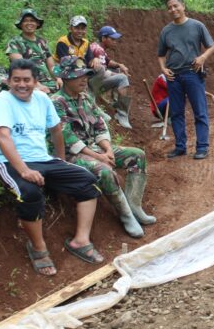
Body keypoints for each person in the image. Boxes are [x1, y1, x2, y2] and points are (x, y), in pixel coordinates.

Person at [0, 59, 103, 276]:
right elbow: (2, 137)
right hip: (6, 161)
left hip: (42, 159)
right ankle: (38, 248)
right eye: (16, 80)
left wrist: (60, 161)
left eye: (26, 80)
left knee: (86, 180)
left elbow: (56, 130)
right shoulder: (1, 101)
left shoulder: (42, 99)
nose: (22, 84)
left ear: (35, 81)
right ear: (8, 81)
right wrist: (23, 170)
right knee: (30, 192)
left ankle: (81, 240)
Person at [52, 57, 157, 239]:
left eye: (86, 75)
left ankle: (135, 206)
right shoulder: (55, 102)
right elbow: (66, 138)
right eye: (79, 76)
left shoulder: (85, 98)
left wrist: (107, 150)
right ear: (66, 78)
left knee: (137, 155)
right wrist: (99, 157)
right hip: (73, 155)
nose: (84, 80)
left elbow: (100, 126)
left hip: (95, 148)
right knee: (105, 171)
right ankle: (125, 214)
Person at [157, 0, 214, 159]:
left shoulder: (197, 26)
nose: (173, 9)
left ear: (183, 6)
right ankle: (180, 147)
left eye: (175, 6)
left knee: (200, 111)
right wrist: (163, 68)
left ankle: (202, 147)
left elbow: (212, 46)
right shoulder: (166, 30)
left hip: (192, 74)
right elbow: (161, 54)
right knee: (176, 113)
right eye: (169, 7)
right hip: (173, 77)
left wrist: (202, 57)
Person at [6, 8, 62, 94]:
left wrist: (58, 78)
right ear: (21, 24)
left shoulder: (43, 42)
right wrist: (37, 85)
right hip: (28, 83)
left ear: (37, 23)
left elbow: (51, 66)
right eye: (25, 21)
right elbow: (21, 68)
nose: (29, 23)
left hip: (48, 82)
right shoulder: (15, 42)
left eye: (32, 20)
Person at [89, 26, 133, 129]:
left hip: (91, 81)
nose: (115, 41)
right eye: (112, 39)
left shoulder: (98, 48)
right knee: (122, 78)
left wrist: (119, 65)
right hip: (91, 85)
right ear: (104, 38)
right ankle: (121, 114)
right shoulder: (98, 50)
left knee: (117, 71)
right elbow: (102, 71)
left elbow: (108, 62)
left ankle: (114, 103)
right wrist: (117, 74)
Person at [149, 74, 214, 119]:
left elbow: (192, 90)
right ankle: (171, 117)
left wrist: (210, 95)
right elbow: (181, 91)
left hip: (165, 104)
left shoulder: (175, 79)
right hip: (158, 109)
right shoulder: (162, 79)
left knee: (180, 96)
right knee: (177, 96)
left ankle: (173, 116)